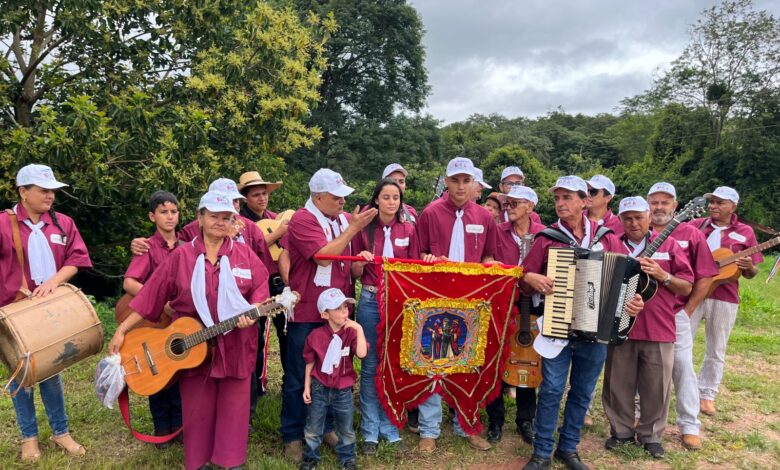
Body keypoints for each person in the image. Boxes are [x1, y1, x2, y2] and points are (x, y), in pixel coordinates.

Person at [109, 190, 270, 470]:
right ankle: (198, 463)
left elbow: (261, 288)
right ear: (200, 217)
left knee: (234, 409)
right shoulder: (181, 256)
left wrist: (253, 311)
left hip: (237, 346)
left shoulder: (244, 255)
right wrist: (122, 329)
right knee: (198, 411)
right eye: (214, 217)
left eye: (227, 218)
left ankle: (230, 463)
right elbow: (151, 295)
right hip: (193, 347)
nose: (221, 222)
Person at [520, 176, 644, 470]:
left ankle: (569, 448)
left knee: (582, 390)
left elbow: (627, 278)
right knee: (551, 389)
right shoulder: (547, 238)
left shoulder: (607, 237)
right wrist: (529, 279)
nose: (561, 204)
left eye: (567, 198)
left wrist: (633, 302)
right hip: (557, 327)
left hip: (596, 330)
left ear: (585, 201)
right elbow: (522, 282)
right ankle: (541, 453)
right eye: (557, 199)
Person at [280, 169, 377, 463]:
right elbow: (323, 256)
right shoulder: (302, 219)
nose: (342, 203)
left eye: (343, 197)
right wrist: (353, 229)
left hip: (338, 310)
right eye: (336, 198)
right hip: (309, 310)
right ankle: (293, 435)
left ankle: (327, 428)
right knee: (301, 374)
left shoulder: (341, 220)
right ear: (318, 197)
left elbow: (348, 258)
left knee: (336, 371)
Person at [0, 164, 92, 462]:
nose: (50, 196)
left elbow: (76, 258)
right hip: (14, 311)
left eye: (52, 190)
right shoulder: (3, 224)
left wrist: (53, 282)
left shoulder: (63, 223)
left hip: (51, 309)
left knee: (52, 369)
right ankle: (29, 437)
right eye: (43, 190)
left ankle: (60, 431)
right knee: (20, 374)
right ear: (23, 192)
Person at [414, 156, 497, 452]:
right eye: (455, 180)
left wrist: (491, 266)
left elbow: (489, 257)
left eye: (466, 181)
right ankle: (429, 429)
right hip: (434, 300)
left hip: (472, 303)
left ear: (473, 183)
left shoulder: (485, 218)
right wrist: (426, 259)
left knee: (468, 364)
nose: (461, 186)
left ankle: (467, 425)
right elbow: (417, 255)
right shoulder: (430, 214)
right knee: (433, 361)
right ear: (446, 182)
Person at [602, 197, 693, 459]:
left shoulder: (670, 244)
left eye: (638, 217)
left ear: (649, 217)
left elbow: (686, 285)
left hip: (659, 326)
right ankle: (620, 431)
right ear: (620, 220)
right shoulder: (611, 243)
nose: (633, 223)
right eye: (627, 218)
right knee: (618, 383)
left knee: (657, 385)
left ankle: (651, 435)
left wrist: (663, 276)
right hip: (619, 326)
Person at [646, 182, 718, 450]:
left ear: (676, 205)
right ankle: (641, 417)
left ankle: (689, 425)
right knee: (644, 366)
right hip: (641, 315)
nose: (659, 207)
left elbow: (706, 275)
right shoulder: (638, 230)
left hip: (674, 314)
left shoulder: (691, 233)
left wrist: (688, 311)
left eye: (665, 202)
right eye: (654, 202)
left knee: (683, 366)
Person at [351, 178, 417, 454]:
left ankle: (390, 428)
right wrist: (361, 262)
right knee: (370, 366)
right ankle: (369, 431)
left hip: (400, 302)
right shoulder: (364, 230)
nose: (391, 202)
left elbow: (415, 271)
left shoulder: (409, 229)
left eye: (396, 197)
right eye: (386, 197)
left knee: (393, 365)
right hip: (369, 298)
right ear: (376, 199)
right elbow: (353, 274)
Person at [691, 187, 763, 416]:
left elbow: (752, 273)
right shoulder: (696, 226)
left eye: (719, 202)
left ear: (733, 206)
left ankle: (707, 394)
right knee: (681, 342)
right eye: (712, 201)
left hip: (724, 296)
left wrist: (749, 267)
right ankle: (681, 388)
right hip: (692, 292)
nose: (713, 206)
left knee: (717, 347)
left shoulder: (745, 232)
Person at [485, 185, 546, 444]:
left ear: (530, 207)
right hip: (502, 303)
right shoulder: (497, 232)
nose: (508, 207)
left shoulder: (545, 235)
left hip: (534, 303)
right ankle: (495, 419)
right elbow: (489, 263)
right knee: (499, 359)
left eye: (514, 203)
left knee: (528, 358)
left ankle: (525, 419)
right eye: (506, 203)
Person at [122, 190, 183, 447]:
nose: (169, 217)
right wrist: (158, 301)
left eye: (173, 211)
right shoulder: (147, 247)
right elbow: (129, 282)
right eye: (163, 212)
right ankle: (161, 429)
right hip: (157, 320)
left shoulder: (188, 244)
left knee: (182, 369)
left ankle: (180, 427)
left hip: (182, 320)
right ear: (152, 216)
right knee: (157, 369)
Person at [300, 288, 368, 470]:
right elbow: (310, 362)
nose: (344, 311)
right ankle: (310, 457)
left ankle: (347, 458)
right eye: (338, 308)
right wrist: (307, 387)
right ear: (325, 314)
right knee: (313, 426)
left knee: (346, 428)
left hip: (343, 389)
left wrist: (359, 328)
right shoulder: (315, 336)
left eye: (346, 307)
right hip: (319, 387)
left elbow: (362, 353)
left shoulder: (351, 334)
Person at [237, 171, 289, 406]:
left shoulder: (274, 218)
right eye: (256, 194)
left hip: (278, 281)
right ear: (245, 197)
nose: (262, 198)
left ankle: (290, 383)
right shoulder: (240, 223)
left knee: (286, 333)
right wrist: (277, 234)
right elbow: (247, 249)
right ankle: (256, 387)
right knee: (256, 336)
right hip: (255, 286)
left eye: (264, 194)